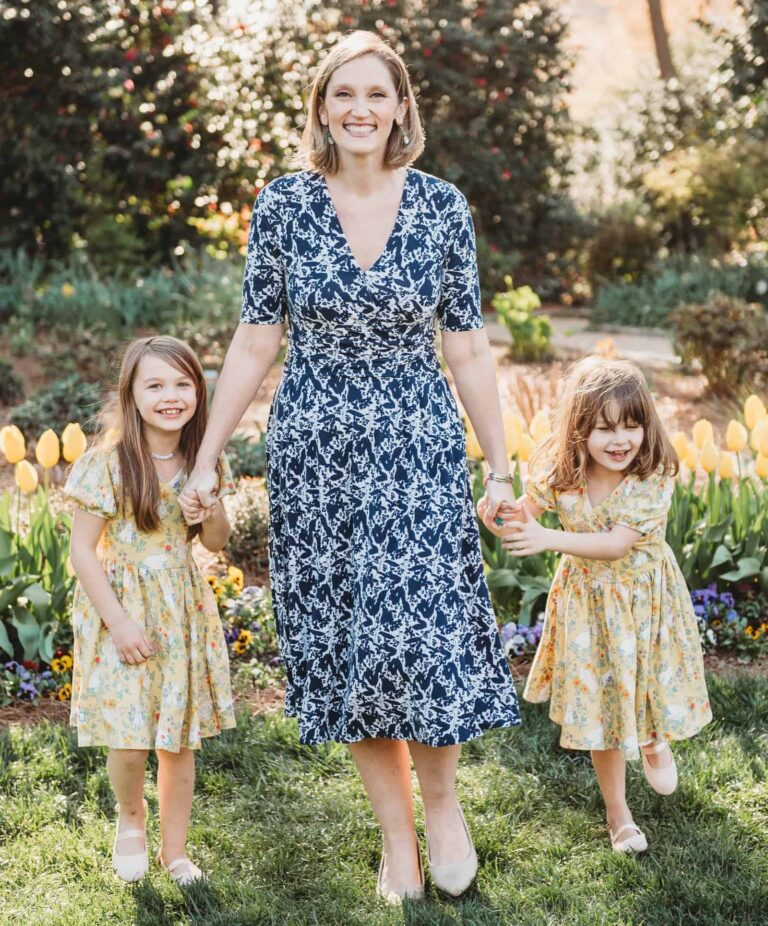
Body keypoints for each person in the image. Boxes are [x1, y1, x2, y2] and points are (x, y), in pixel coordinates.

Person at [179, 30, 519, 902]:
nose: (360, 109)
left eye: (376, 94)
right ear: (322, 110)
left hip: (415, 445)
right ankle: (398, 840)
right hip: (318, 449)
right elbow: (257, 338)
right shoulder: (285, 204)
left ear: (402, 105)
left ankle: (442, 809)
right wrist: (208, 458)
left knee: (422, 635)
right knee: (351, 641)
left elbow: (468, 347)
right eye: (343, 95)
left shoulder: (443, 206)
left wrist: (502, 467)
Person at [480, 357, 712, 852]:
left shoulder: (652, 475)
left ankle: (651, 740)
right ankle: (619, 816)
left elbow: (614, 544)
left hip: (645, 601)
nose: (620, 439)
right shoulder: (561, 471)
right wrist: (500, 512)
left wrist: (546, 537)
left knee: (645, 684)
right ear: (580, 429)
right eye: (605, 428)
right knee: (601, 709)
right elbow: (523, 515)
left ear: (647, 425)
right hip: (588, 608)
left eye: (632, 424)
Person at [65, 336, 237, 885]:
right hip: (123, 608)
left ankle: (176, 851)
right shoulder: (107, 464)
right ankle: (131, 820)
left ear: (198, 391)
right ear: (132, 394)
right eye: (155, 385)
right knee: (131, 738)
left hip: (181, 609)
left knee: (177, 739)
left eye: (182, 384)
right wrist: (117, 621)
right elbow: (81, 552)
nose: (171, 396)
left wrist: (208, 506)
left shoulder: (204, 461)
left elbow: (216, 542)